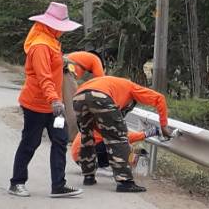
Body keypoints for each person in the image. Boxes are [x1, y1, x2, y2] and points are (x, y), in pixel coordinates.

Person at [63, 51, 170, 192]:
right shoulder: (132, 88)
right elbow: (159, 98)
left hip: (79, 97)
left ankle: (88, 176)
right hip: (100, 96)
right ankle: (125, 182)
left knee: (86, 137)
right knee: (118, 139)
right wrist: (163, 125)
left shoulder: (113, 84)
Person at [9, 1, 82, 199]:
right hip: (36, 104)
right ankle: (17, 182)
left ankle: (58, 185)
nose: (63, 31)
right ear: (51, 25)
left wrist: (56, 101)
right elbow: (43, 77)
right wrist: (54, 100)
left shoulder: (52, 41)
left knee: (60, 141)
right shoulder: (41, 45)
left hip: (53, 105)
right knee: (30, 143)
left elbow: (53, 72)